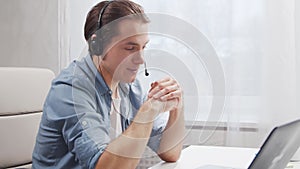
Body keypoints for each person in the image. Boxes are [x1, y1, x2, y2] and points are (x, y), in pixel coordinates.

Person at [32, 0, 185, 169]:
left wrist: (176, 105)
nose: (141, 59)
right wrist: (147, 114)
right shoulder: (70, 90)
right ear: (97, 45)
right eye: (130, 48)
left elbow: (170, 153)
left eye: (143, 47)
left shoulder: (130, 88)